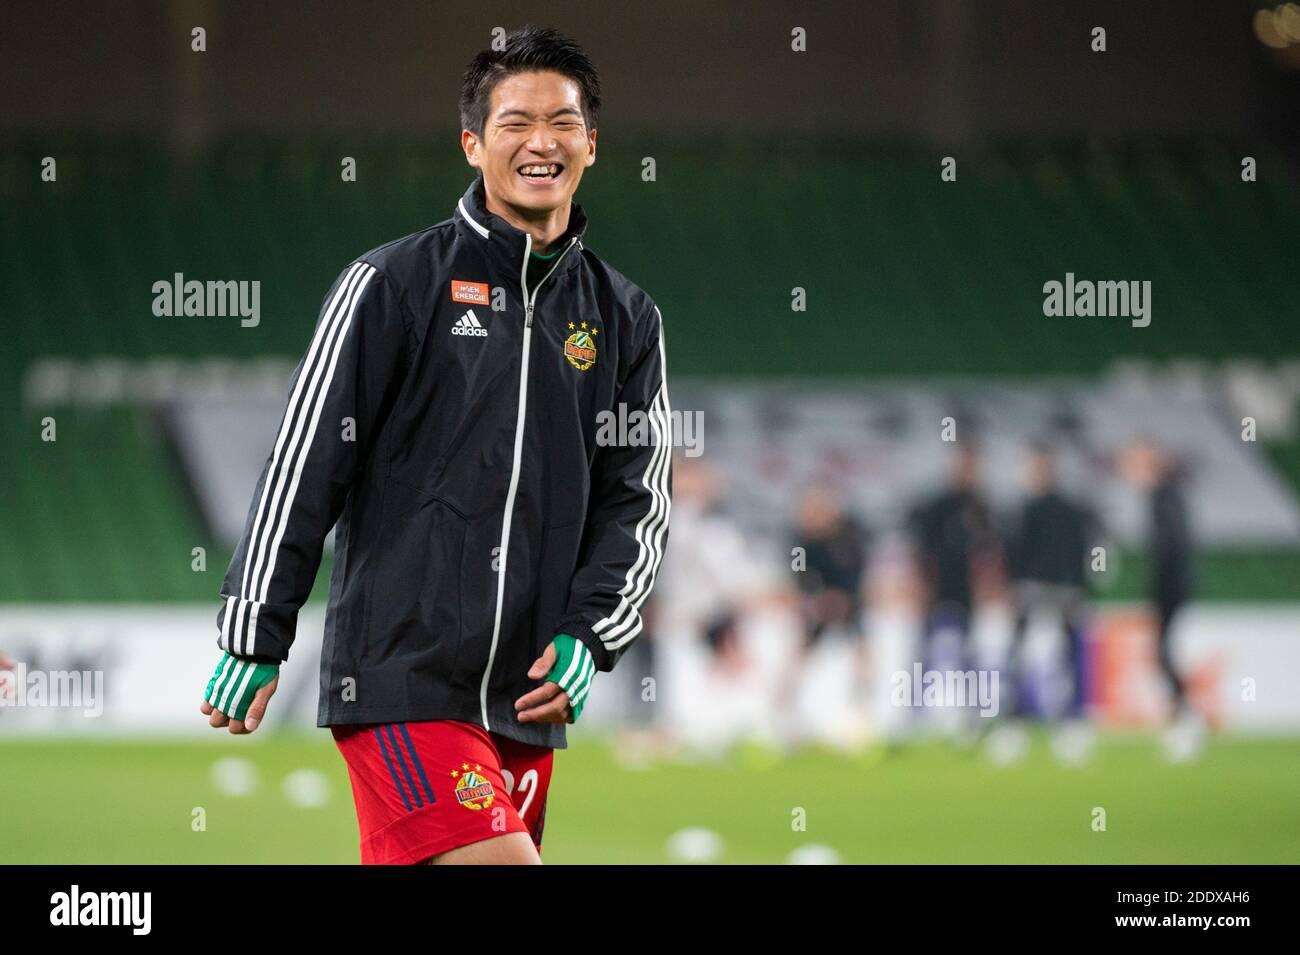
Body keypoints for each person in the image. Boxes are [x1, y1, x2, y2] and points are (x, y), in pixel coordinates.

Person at [199, 28, 672, 864]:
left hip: (526, 697)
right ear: (472, 142)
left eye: (563, 123)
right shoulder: (390, 284)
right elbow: (306, 461)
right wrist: (254, 627)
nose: (541, 142)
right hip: (400, 678)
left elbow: (638, 497)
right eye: (516, 121)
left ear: (592, 145)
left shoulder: (626, 318)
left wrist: (592, 631)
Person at [997, 443, 1103, 763]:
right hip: (1064, 589)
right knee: (1060, 656)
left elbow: (1015, 551)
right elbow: (1089, 550)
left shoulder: (1032, 509)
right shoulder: (1070, 508)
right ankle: (1052, 721)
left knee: (1035, 655)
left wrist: (1012, 585)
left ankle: (1025, 722)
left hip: (1038, 588)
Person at [1120, 438, 1201, 760]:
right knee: (1163, 653)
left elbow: (1170, 548)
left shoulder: (1163, 497)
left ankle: (1185, 718)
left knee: (1162, 653)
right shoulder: (1166, 496)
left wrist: (1161, 591)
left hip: (1171, 588)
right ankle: (1181, 717)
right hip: (1174, 587)